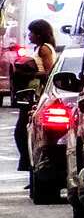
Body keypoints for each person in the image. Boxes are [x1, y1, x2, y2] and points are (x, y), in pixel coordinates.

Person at [14, 19, 57, 174]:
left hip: (36, 95)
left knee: (22, 131)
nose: (29, 35)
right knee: (23, 130)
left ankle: (29, 163)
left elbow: (49, 71)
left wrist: (30, 73)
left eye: (31, 32)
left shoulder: (44, 49)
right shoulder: (39, 48)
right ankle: (28, 164)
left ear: (39, 34)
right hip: (30, 93)